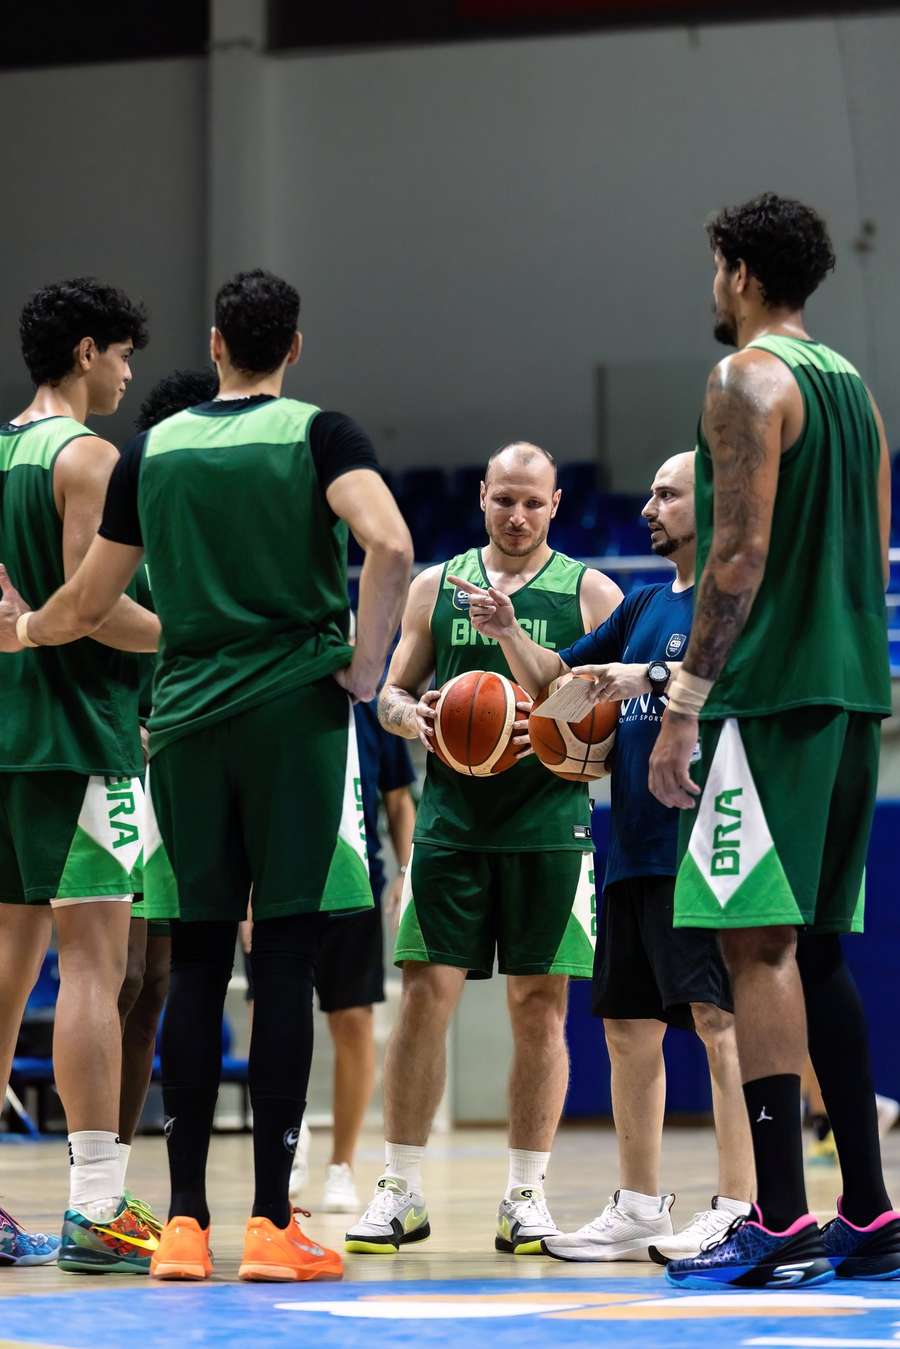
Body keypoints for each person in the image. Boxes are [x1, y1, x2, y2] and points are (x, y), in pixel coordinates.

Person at [0, 269, 413, 1284]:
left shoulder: (149, 448)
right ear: (296, 348)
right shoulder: (322, 433)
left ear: (218, 341)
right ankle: (268, 1223)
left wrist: (25, 626)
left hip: (179, 724)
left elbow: (87, 599)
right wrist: (364, 667)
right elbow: (392, 542)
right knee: (276, 967)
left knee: (185, 967)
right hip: (287, 726)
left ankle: (181, 1225)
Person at [649, 192, 900, 1287]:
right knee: (820, 948)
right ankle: (871, 1210)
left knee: (755, 944)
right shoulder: (859, 392)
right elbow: (879, 547)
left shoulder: (745, 379)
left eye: (715, 268)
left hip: (772, 693)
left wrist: (688, 696)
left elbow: (736, 557)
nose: (714, 287)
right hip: (853, 692)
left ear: (739, 271)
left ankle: (783, 1218)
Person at [456, 452, 754, 1261]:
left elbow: (739, 680)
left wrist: (647, 673)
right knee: (626, 1026)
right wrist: (511, 634)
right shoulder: (646, 602)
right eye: (649, 491)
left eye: (667, 493)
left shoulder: (733, 600)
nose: (649, 506)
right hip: (630, 846)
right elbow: (563, 682)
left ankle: (739, 1204)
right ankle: (639, 1203)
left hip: (707, 847)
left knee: (719, 1022)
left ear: (713, 506)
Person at [345, 441, 622, 1255]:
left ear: (557, 504)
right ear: (482, 496)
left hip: (549, 825)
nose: (517, 514)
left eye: (533, 502)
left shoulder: (591, 592)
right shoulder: (437, 585)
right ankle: (399, 1187)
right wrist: (412, 716)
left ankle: (525, 1195)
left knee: (540, 1007)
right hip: (453, 827)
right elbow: (392, 690)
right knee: (427, 995)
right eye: (504, 498)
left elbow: (579, 700)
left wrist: (508, 637)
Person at [0, 279, 160, 1272]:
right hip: (78, 730)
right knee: (99, 965)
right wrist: (201, 636)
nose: (130, 372)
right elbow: (90, 603)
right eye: (125, 355)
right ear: (88, 351)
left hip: (5, 731)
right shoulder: (88, 454)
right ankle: (97, 1203)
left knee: (7, 967)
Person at [116, 370, 219, 1164]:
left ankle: (115, 1163)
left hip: (187, 771)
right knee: (117, 972)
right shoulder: (124, 529)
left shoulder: (209, 539)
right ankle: (98, 1175)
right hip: (123, 762)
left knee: (155, 978)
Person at [266, 674, 417, 1213]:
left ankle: (343, 1165)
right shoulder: (273, 693)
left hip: (354, 885)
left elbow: (398, 798)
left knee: (352, 1021)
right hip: (277, 886)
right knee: (277, 1019)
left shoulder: (371, 707)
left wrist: (406, 869)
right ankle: (289, 1140)